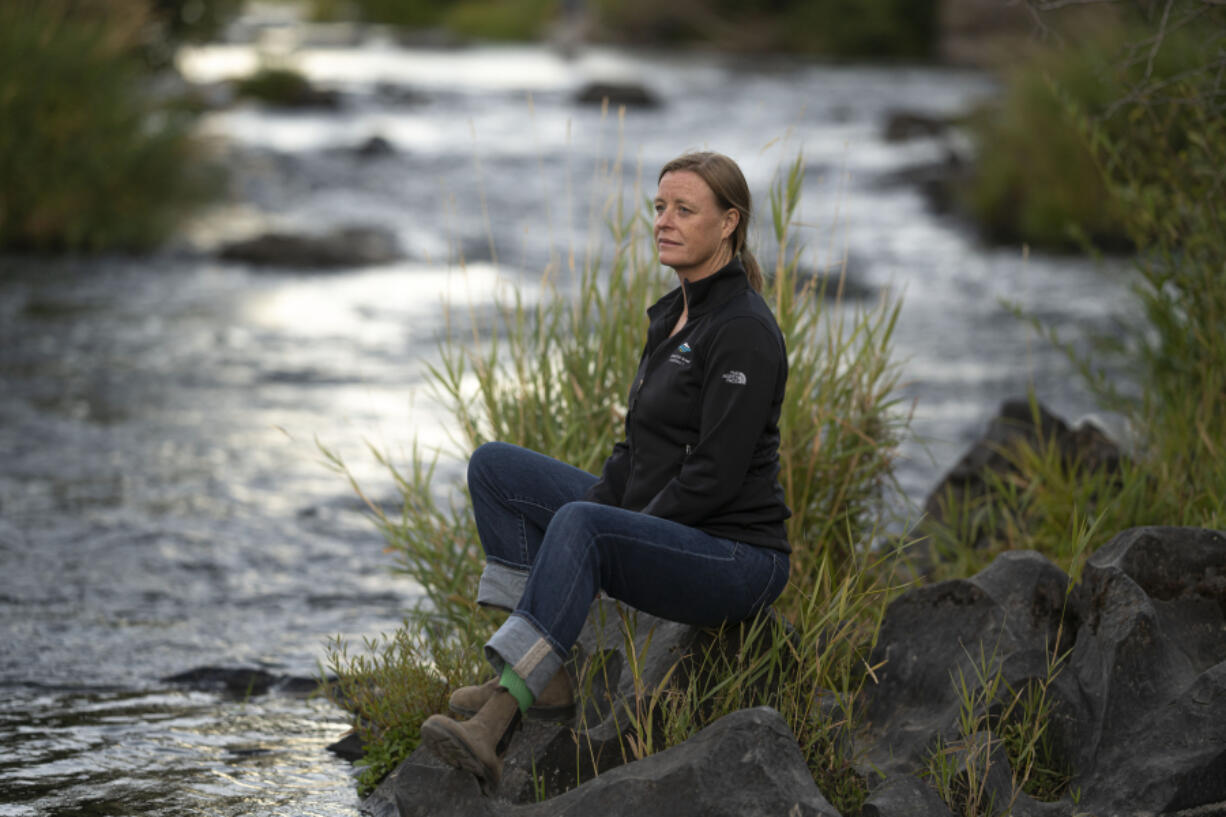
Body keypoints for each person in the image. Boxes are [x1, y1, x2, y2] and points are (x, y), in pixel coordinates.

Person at [420, 151, 792, 792]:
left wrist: (618, 533)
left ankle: (495, 723)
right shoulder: (672, 314)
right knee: (496, 470)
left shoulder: (743, 331)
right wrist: (602, 513)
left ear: (729, 222)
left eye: (684, 210)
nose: (663, 222)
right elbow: (634, 449)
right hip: (677, 527)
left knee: (586, 526)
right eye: (658, 208)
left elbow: (716, 476)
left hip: (738, 558)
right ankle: (548, 674)